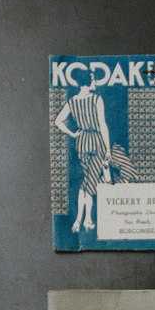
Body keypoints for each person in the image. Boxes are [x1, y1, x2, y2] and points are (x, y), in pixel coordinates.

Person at [54, 72, 111, 233]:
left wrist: (73, 134)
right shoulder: (96, 99)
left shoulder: (72, 102)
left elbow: (58, 120)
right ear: (87, 82)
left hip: (82, 142)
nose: (95, 83)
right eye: (93, 80)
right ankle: (84, 220)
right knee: (90, 183)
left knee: (87, 182)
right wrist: (107, 150)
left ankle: (84, 220)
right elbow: (102, 125)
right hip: (96, 141)